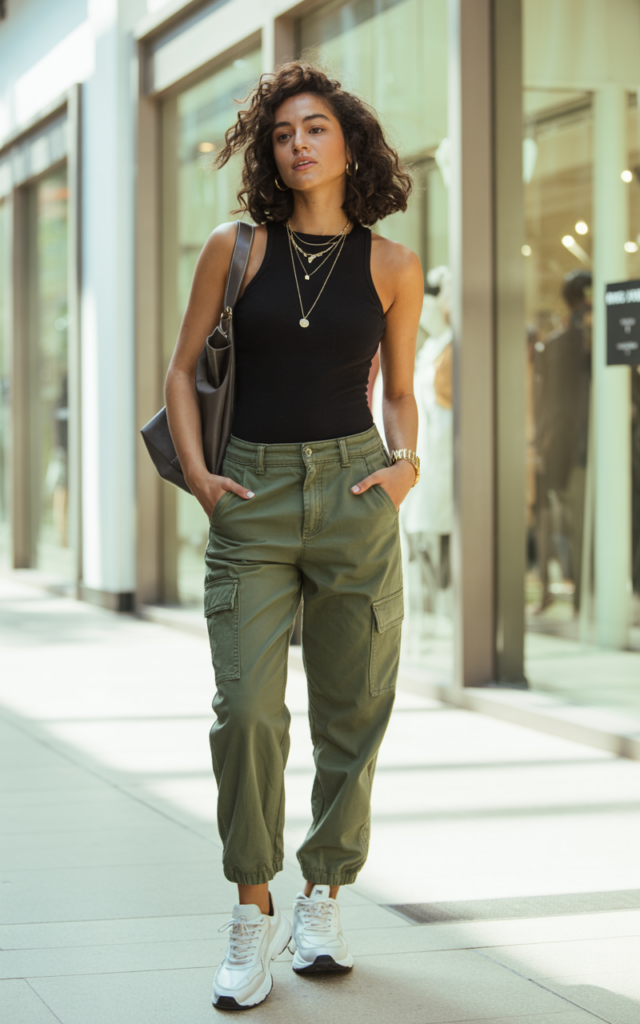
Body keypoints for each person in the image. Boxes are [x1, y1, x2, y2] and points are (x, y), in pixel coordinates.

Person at [165, 60, 423, 1011]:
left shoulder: (393, 265)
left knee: (353, 711)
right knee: (249, 714)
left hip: (356, 489)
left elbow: (397, 390)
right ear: (270, 154)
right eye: (283, 133)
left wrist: (405, 468)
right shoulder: (234, 248)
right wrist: (201, 481)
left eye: (315, 127)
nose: (298, 143)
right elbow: (182, 371)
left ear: (349, 142)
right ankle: (250, 908)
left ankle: (322, 896)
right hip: (254, 496)